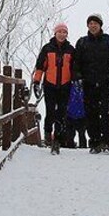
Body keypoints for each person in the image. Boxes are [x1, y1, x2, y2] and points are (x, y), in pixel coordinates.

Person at [71, 13, 109, 154]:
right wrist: (76, 78)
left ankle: (106, 142)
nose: (93, 26)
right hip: (88, 82)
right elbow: (76, 62)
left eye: (95, 23)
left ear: (100, 25)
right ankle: (95, 142)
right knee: (91, 113)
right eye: (90, 23)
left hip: (105, 81)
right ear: (87, 26)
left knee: (105, 111)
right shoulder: (82, 42)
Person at [32, 22, 74, 154]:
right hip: (50, 85)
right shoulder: (47, 48)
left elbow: (75, 68)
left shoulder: (71, 50)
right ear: (55, 33)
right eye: (59, 32)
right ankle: (48, 135)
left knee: (62, 113)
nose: (62, 34)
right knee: (50, 111)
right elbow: (40, 66)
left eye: (64, 32)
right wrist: (36, 82)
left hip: (65, 85)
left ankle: (57, 141)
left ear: (67, 34)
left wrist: (77, 80)